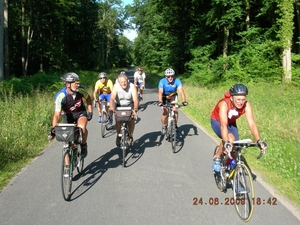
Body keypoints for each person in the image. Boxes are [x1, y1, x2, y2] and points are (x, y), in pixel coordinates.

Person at [210, 84, 268, 172]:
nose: (241, 102)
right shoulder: (224, 104)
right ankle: (217, 158)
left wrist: (259, 140)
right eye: (238, 99)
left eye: (243, 99)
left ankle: (229, 169)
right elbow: (223, 124)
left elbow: (252, 123)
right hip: (217, 121)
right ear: (231, 98)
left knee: (235, 148)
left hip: (231, 123)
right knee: (230, 139)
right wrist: (226, 142)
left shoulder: (246, 105)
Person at [48, 72, 93, 158]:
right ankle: (67, 168)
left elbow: (88, 98)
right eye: (76, 83)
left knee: (82, 128)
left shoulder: (81, 90)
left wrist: (90, 111)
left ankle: (83, 145)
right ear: (68, 84)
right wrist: (54, 129)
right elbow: (57, 114)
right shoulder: (61, 95)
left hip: (80, 113)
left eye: (78, 82)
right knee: (65, 143)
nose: (78, 84)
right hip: (68, 116)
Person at [109, 73, 139, 146]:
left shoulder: (132, 86)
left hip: (129, 104)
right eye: (122, 82)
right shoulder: (115, 87)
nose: (124, 83)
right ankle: (118, 135)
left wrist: (135, 109)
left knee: (131, 120)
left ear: (127, 81)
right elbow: (112, 98)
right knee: (118, 120)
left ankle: (131, 135)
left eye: (125, 81)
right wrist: (111, 107)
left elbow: (135, 99)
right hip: (119, 104)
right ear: (119, 82)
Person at [157, 68, 188, 135]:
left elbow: (181, 92)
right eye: (168, 76)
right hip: (164, 97)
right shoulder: (162, 81)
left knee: (175, 110)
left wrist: (184, 101)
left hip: (173, 97)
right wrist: (160, 101)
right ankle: (164, 126)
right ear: (166, 77)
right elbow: (160, 92)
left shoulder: (177, 81)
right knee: (165, 112)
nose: (170, 78)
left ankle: (175, 125)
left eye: (172, 76)